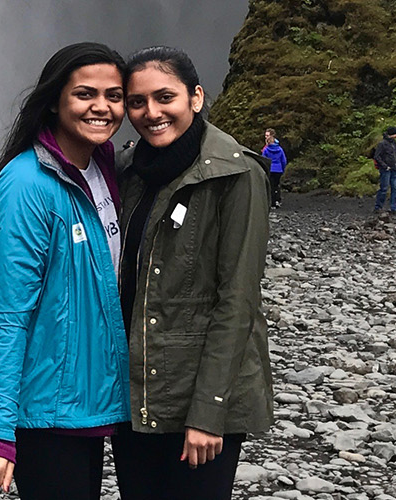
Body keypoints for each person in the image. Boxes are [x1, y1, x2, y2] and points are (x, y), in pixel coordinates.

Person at [0, 42, 130, 500]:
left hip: (85, 397)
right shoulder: (26, 183)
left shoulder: (100, 168)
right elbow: (5, 310)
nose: (102, 106)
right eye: (84, 94)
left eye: (114, 95)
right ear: (54, 100)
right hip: (48, 404)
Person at [115, 46, 273, 500]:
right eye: (137, 102)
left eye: (166, 97)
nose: (151, 112)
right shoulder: (127, 170)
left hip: (199, 397)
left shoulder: (237, 173)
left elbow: (238, 300)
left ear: (196, 98)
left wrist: (208, 412)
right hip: (139, 385)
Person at [373, 126, 396, 213]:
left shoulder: (394, 143)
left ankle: (394, 208)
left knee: (395, 188)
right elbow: (377, 156)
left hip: (394, 168)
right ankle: (378, 207)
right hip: (385, 170)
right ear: (392, 134)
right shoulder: (382, 144)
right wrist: (385, 166)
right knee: (384, 188)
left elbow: (395, 154)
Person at [261, 128, 287, 209]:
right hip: (278, 169)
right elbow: (284, 160)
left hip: (270, 170)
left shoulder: (266, 149)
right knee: (277, 185)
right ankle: (277, 200)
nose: (266, 137)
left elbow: (263, 159)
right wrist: (282, 169)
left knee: (271, 186)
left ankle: (272, 203)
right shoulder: (280, 149)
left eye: (267, 135)